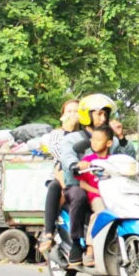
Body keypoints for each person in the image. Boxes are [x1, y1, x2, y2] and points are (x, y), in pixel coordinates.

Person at [59, 94, 135, 266]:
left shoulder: (112, 140)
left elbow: (129, 158)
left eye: (105, 114)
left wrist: (121, 137)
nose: (103, 118)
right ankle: (78, 245)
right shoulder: (73, 138)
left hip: (106, 187)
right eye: (99, 113)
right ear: (87, 115)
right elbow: (66, 155)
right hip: (79, 184)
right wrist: (75, 164)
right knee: (78, 196)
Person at [39, 99, 80, 254]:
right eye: (69, 111)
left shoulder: (85, 133)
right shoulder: (56, 135)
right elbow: (60, 154)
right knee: (55, 187)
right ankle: (48, 231)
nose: (73, 115)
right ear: (62, 116)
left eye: (76, 111)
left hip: (84, 175)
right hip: (62, 173)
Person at [75, 125, 114, 267]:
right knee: (100, 212)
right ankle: (90, 251)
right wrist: (97, 192)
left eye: (98, 140)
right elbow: (82, 184)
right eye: (93, 139)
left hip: (114, 196)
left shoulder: (114, 161)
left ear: (109, 143)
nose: (94, 142)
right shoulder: (88, 160)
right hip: (96, 196)